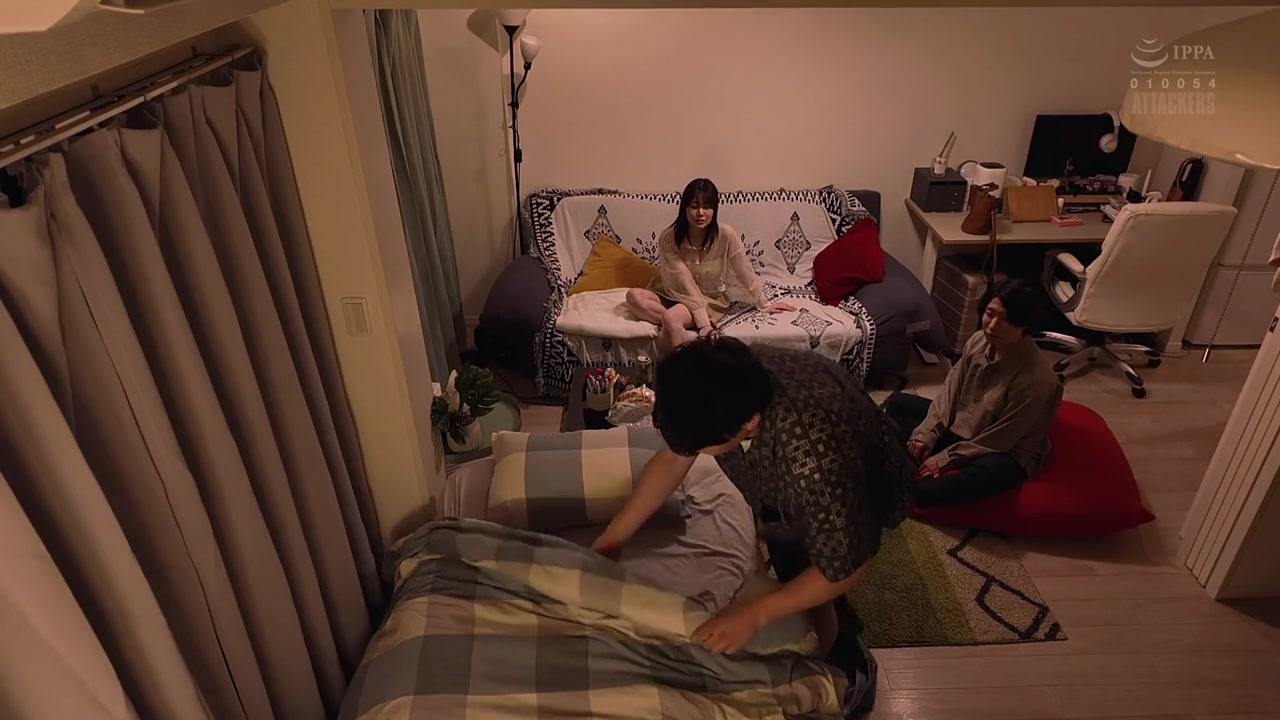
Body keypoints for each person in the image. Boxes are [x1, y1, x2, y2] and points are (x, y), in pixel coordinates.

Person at [592, 337, 916, 717]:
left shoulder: (815, 460)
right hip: (797, 472)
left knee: (817, 573)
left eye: (702, 448)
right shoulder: (723, 376)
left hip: (860, 472)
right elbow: (674, 458)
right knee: (792, 556)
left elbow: (850, 560)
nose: (691, 454)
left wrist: (756, 613)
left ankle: (846, 670)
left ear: (749, 424)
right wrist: (613, 539)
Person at [881, 277, 1063, 508]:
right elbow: (951, 392)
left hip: (1001, 448)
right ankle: (912, 457)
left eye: (1006, 319)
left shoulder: (1036, 380)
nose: (992, 325)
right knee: (897, 404)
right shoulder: (978, 340)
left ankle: (916, 477)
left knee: (926, 492)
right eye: (990, 313)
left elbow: (1002, 437)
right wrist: (927, 432)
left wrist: (945, 459)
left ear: (1024, 324)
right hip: (965, 426)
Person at [625, 177, 794, 352]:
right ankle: (679, 323)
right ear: (684, 208)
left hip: (708, 297)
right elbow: (682, 279)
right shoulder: (669, 237)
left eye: (707, 207)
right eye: (694, 206)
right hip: (673, 291)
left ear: (714, 209)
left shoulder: (726, 235)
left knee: (671, 318)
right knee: (634, 296)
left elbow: (743, 270)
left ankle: (680, 348)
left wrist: (763, 303)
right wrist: (703, 322)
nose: (700, 213)